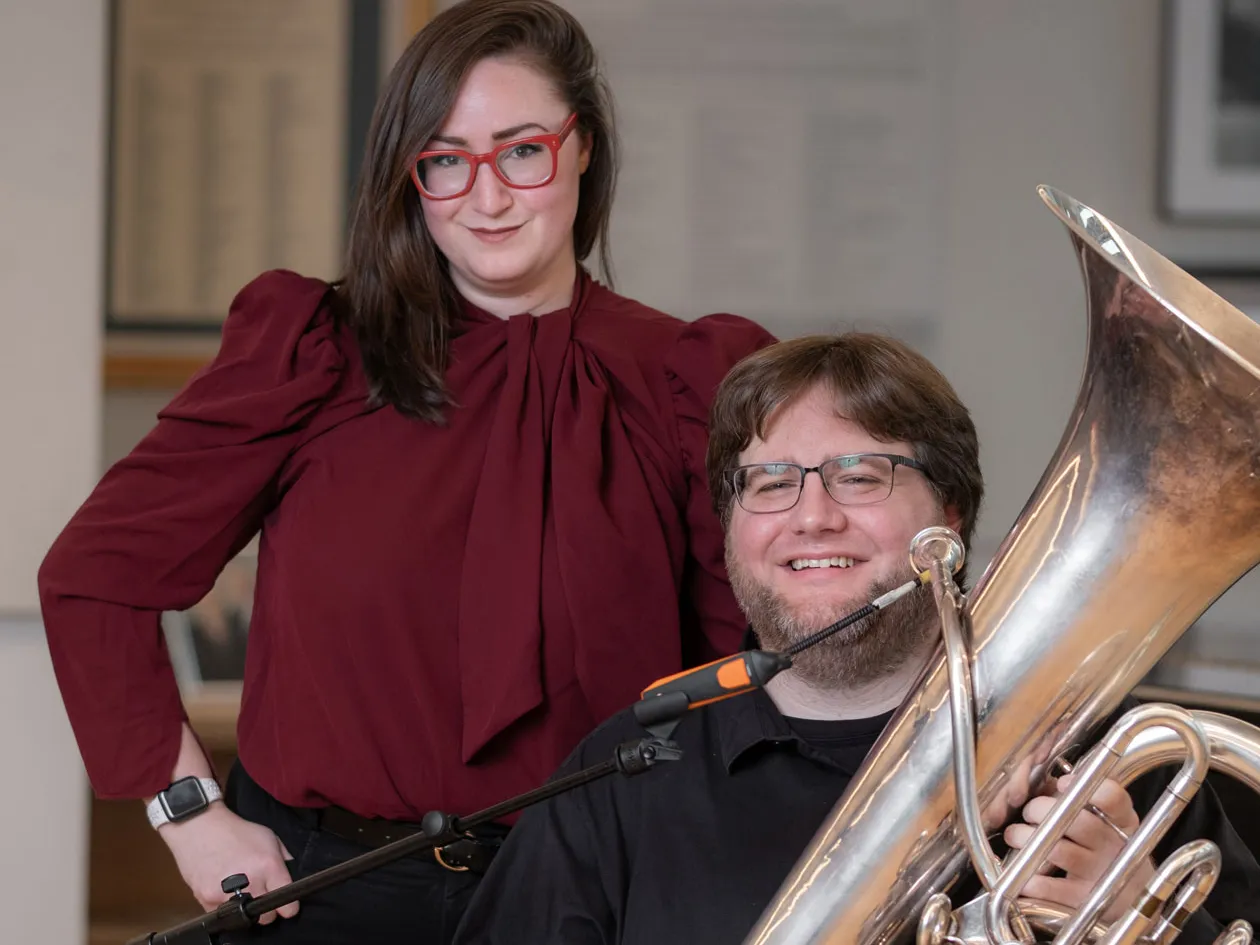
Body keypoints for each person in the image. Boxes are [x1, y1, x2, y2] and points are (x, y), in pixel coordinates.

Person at [37, 2, 774, 942]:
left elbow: (750, 666)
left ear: (580, 147)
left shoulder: (689, 380)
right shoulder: (314, 353)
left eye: (520, 151)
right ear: (410, 178)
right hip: (321, 899)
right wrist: (187, 813)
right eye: (444, 160)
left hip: (595, 894)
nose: (487, 196)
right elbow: (95, 576)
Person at [453, 333, 1260, 945]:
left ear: (949, 515)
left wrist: (1136, 913)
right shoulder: (625, 773)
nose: (813, 515)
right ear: (730, 531)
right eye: (770, 482)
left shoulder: (1116, 771)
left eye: (862, 474)